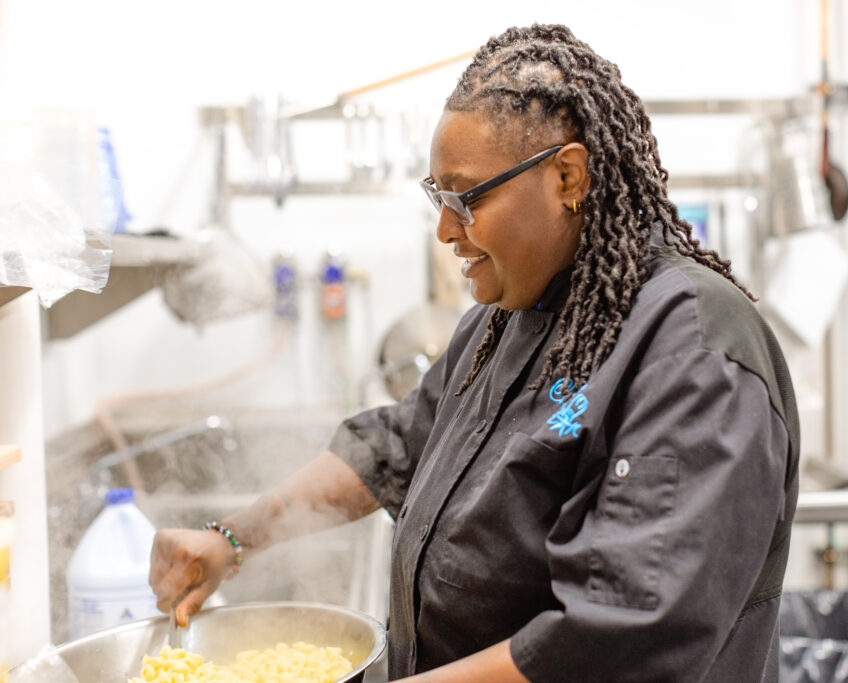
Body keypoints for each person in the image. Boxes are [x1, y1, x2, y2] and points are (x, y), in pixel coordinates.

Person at [149, 24, 800, 682]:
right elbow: (397, 447)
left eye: (466, 197)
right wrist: (233, 538)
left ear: (568, 176)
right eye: (438, 197)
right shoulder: (508, 317)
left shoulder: (692, 345)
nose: (444, 229)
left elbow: (621, 634)